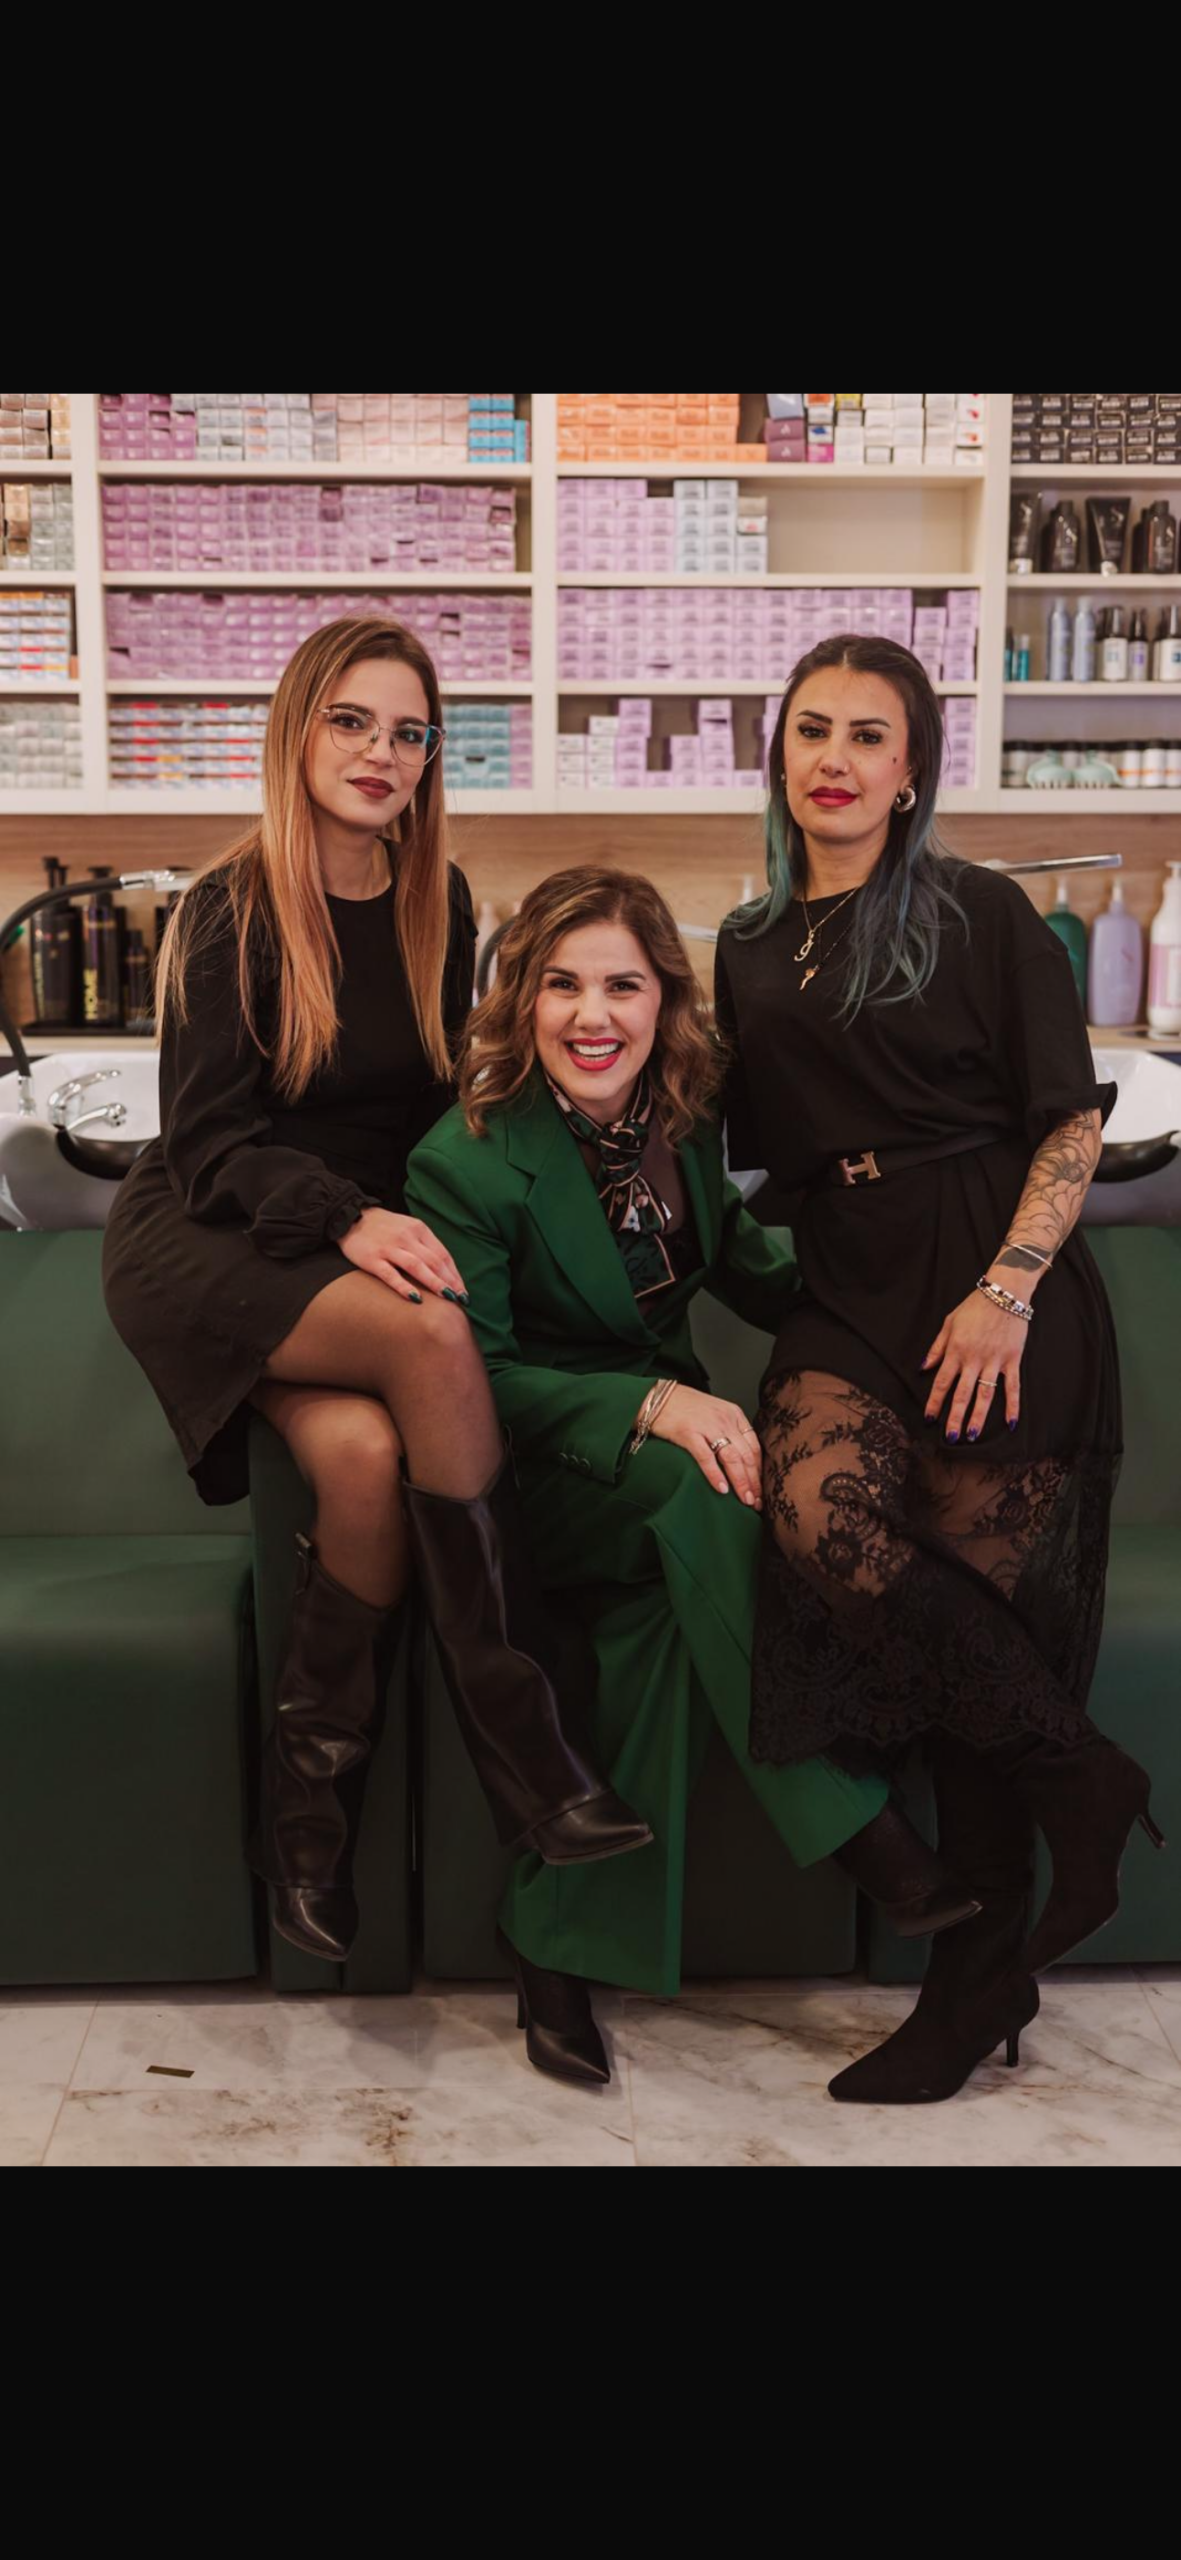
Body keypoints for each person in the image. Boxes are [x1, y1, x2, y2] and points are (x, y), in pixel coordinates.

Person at [103, 618, 648, 1969]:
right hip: (211, 1232)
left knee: (358, 1463)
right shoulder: (231, 906)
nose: (380, 753)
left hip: (338, 1239)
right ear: (299, 729)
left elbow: (417, 1112)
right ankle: (531, 1751)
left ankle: (304, 1833)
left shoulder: (433, 897)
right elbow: (209, 1142)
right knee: (432, 1333)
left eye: (408, 732)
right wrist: (350, 1221)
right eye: (351, 721)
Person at [406, 863, 978, 2089]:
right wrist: (650, 1404)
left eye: (621, 984)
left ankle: (553, 1949)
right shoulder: (464, 1160)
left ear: (663, 999)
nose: (591, 1014)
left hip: (663, 1468)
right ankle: (860, 1827)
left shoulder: (684, 1120)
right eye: (561, 984)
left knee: (658, 1630)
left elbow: (743, 1263)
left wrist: (893, 1311)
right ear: (520, 997)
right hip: (541, 1471)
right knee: (700, 1489)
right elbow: (475, 1379)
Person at [715, 633, 1163, 2105]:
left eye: (868, 735)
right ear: (778, 752)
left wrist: (1007, 1286)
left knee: (976, 1599)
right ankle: (1078, 1773)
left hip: (990, 1276)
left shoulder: (978, 912)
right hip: (845, 1281)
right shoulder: (747, 939)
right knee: (816, 1514)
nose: (834, 758)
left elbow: (1069, 1120)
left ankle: (973, 1983)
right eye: (811, 729)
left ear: (912, 770)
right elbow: (746, 1143)